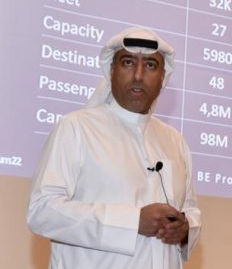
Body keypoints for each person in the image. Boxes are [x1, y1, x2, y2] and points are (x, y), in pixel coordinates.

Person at [28, 26, 201, 268]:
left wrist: (184, 229)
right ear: (111, 69)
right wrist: (133, 222)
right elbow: (42, 212)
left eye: (150, 65)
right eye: (128, 62)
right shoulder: (76, 128)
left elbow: (190, 210)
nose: (138, 75)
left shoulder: (175, 141)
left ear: (163, 77)